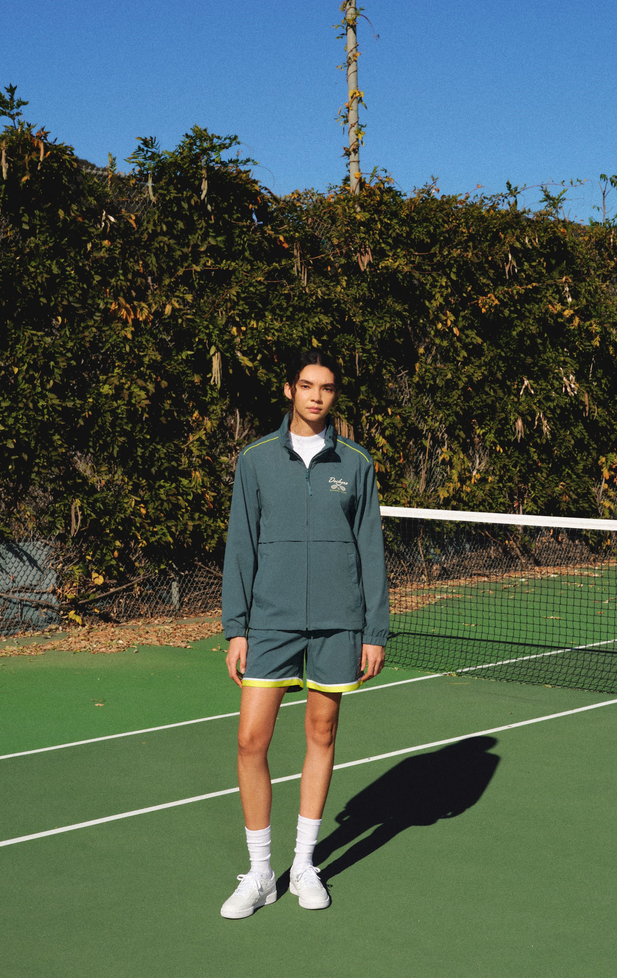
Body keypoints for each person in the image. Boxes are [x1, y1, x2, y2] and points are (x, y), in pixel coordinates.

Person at [219, 350, 389, 918]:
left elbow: (370, 549)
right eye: (308, 386)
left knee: (321, 732)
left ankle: (304, 866)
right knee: (251, 741)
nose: (317, 396)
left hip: (339, 624)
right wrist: (236, 627)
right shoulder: (255, 460)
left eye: (328, 388)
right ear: (289, 390)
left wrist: (374, 630)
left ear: (335, 396)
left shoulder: (356, 463)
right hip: (270, 621)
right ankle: (260, 873)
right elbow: (240, 545)